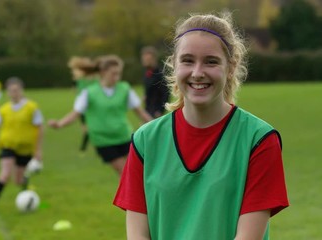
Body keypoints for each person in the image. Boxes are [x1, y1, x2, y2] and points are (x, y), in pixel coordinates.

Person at [113, 13, 289, 240]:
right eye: (187, 60)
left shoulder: (259, 140)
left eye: (211, 61)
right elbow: (137, 235)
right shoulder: (145, 140)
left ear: (231, 67)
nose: (197, 72)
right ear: (174, 65)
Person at [49, 55, 152, 175]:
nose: (117, 77)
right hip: (103, 140)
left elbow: (140, 112)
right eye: (113, 73)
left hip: (124, 136)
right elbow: (75, 114)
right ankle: (132, 194)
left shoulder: (125, 89)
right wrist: (59, 124)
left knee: (138, 172)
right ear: (103, 72)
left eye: (119, 74)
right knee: (126, 173)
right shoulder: (89, 92)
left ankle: (133, 194)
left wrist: (157, 126)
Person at [0, 77, 44, 215]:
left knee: (19, 180)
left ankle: (29, 201)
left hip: (25, 148)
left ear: (22, 91)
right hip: (8, 146)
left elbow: (39, 128)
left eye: (16, 90)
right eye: (11, 91)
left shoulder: (31, 107)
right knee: (4, 174)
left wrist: (38, 150)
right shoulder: (4, 109)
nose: (14, 93)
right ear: (8, 92)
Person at [67, 56, 99, 152]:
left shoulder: (95, 78)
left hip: (93, 106)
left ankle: (85, 147)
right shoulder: (80, 79)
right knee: (85, 128)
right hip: (82, 106)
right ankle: (86, 147)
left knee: (90, 128)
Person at [141, 46, 169, 118]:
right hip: (147, 110)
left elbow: (166, 94)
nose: (146, 61)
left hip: (156, 112)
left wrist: (160, 111)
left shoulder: (160, 74)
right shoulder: (146, 74)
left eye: (148, 59)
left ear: (154, 59)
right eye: (144, 59)